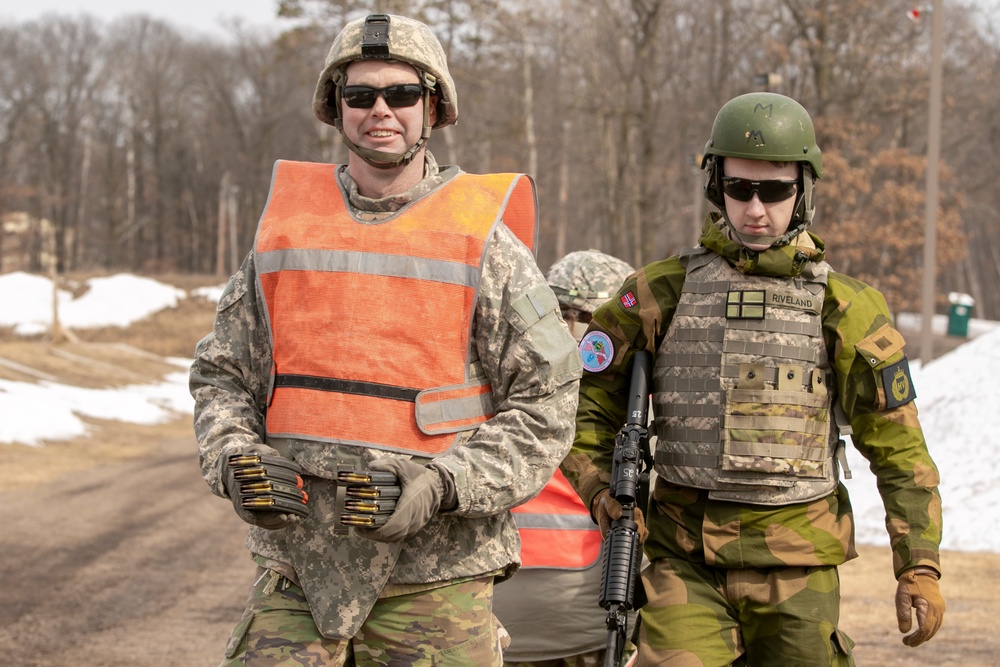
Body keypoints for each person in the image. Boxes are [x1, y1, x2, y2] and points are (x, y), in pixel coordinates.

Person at [189, 13, 582, 667]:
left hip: (434, 582)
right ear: (335, 108)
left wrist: (445, 483)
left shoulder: (485, 241)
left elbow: (547, 404)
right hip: (297, 578)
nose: (380, 110)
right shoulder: (287, 229)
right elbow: (223, 372)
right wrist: (234, 457)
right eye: (360, 95)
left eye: (400, 94)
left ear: (432, 106)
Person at [561, 92, 945, 666]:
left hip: (800, 566)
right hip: (684, 561)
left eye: (775, 190)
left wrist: (918, 562)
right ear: (718, 186)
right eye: (740, 189)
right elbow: (584, 411)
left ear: (804, 191)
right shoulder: (657, 293)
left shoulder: (846, 306)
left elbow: (898, 447)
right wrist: (602, 493)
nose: (756, 209)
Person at [493, 250, 636, 667]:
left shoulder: (636, 415)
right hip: (520, 629)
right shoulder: (629, 411)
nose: (573, 331)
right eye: (564, 314)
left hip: (576, 630)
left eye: (586, 318)